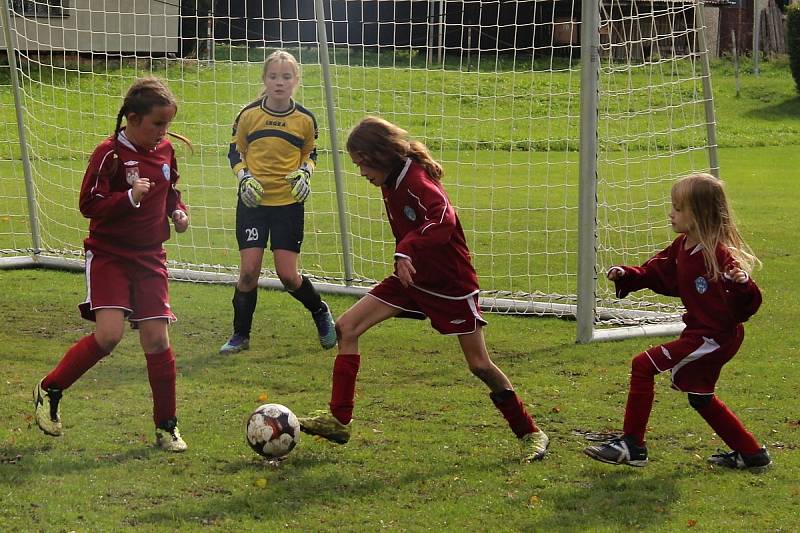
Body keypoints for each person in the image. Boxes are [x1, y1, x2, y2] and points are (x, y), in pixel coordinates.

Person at [298, 116, 549, 462]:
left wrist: (407, 248)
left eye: (362, 164)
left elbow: (444, 218)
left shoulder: (415, 180)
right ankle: (340, 420)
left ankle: (530, 432)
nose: (361, 173)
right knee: (347, 327)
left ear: (379, 156)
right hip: (411, 279)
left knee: (478, 364)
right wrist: (407, 255)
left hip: (450, 284)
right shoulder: (391, 180)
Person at [33, 77, 192, 452]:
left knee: (156, 339)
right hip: (109, 255)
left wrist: (178, 211)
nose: (163, 132)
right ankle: (50, 388)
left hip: (150, 256)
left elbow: (172, 190)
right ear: (133, 119)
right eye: (157, 124)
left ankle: (167, 426)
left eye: (167, 125)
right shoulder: (109, 153)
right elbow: (88, 204)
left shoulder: (166, 150)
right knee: (108, 337)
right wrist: (128, 198)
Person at [584, 173, 771, 471]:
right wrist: (629, 275)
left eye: (678, 208)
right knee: (700, 397)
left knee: (642, 365)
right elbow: (657, 273)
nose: (671, 213)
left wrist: (742, 285)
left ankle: (633, 445)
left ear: (701, 214)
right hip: (701, 333)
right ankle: (751, 453)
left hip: (715, 337)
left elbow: (746, 306)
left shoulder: (720, 257)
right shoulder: (682, 247)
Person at [220, 49, 335, 355]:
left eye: (286, 77)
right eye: (273, 76)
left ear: (296, 80)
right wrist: (244, 178)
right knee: (248, 272)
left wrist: (304, 173)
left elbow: (311, 153)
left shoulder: (305, 119)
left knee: (287, 275)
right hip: (253, 204)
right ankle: (240, 335)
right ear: (264, 79)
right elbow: (235, 152)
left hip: (287, 205)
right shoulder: (248, 115)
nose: (279, 82)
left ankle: (320, 311)